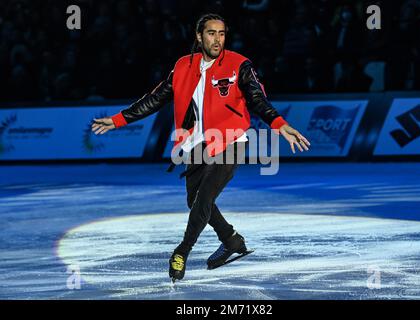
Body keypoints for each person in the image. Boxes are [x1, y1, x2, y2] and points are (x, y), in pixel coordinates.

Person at [91, 13, 310, 281]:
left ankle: (182, 251)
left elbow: (257, 98)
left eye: (221, 34)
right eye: (211, 33)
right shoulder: (184, 65)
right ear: (199, 36)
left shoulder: (239, 64)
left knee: (204, 199)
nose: (217, 39)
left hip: (231, 140)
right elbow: (156, 98)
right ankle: (231, 240)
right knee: (194, 201)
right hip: (194, 143)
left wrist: (279, 123)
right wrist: (118, 120)